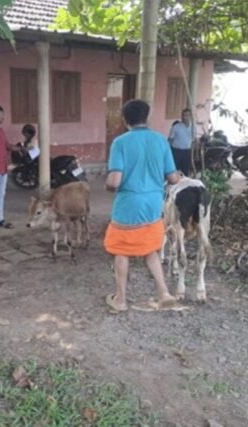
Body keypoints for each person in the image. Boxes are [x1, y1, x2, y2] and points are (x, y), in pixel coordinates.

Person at [103, 99, 181, 312]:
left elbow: (114, 182)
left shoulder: (120, 143)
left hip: (128, 204)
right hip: (153, 204)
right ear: (148, 116)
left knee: (121, 250)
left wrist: (107, 185)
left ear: (124, 119)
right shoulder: (161, 141)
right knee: (149, 249)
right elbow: (173, 178)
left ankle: (120, 299)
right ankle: (164, 293)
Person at [168, 108, 194, 176]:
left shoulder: (193, 128)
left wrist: (195, 153)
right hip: (176, 152)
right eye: (183, 115)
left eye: (187, 115)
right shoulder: (176, 127)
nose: (184, 117)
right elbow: (170, 140)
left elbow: (194, 140)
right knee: (173, 171)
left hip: (187, 152)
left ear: (190, 116)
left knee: (185, 172)